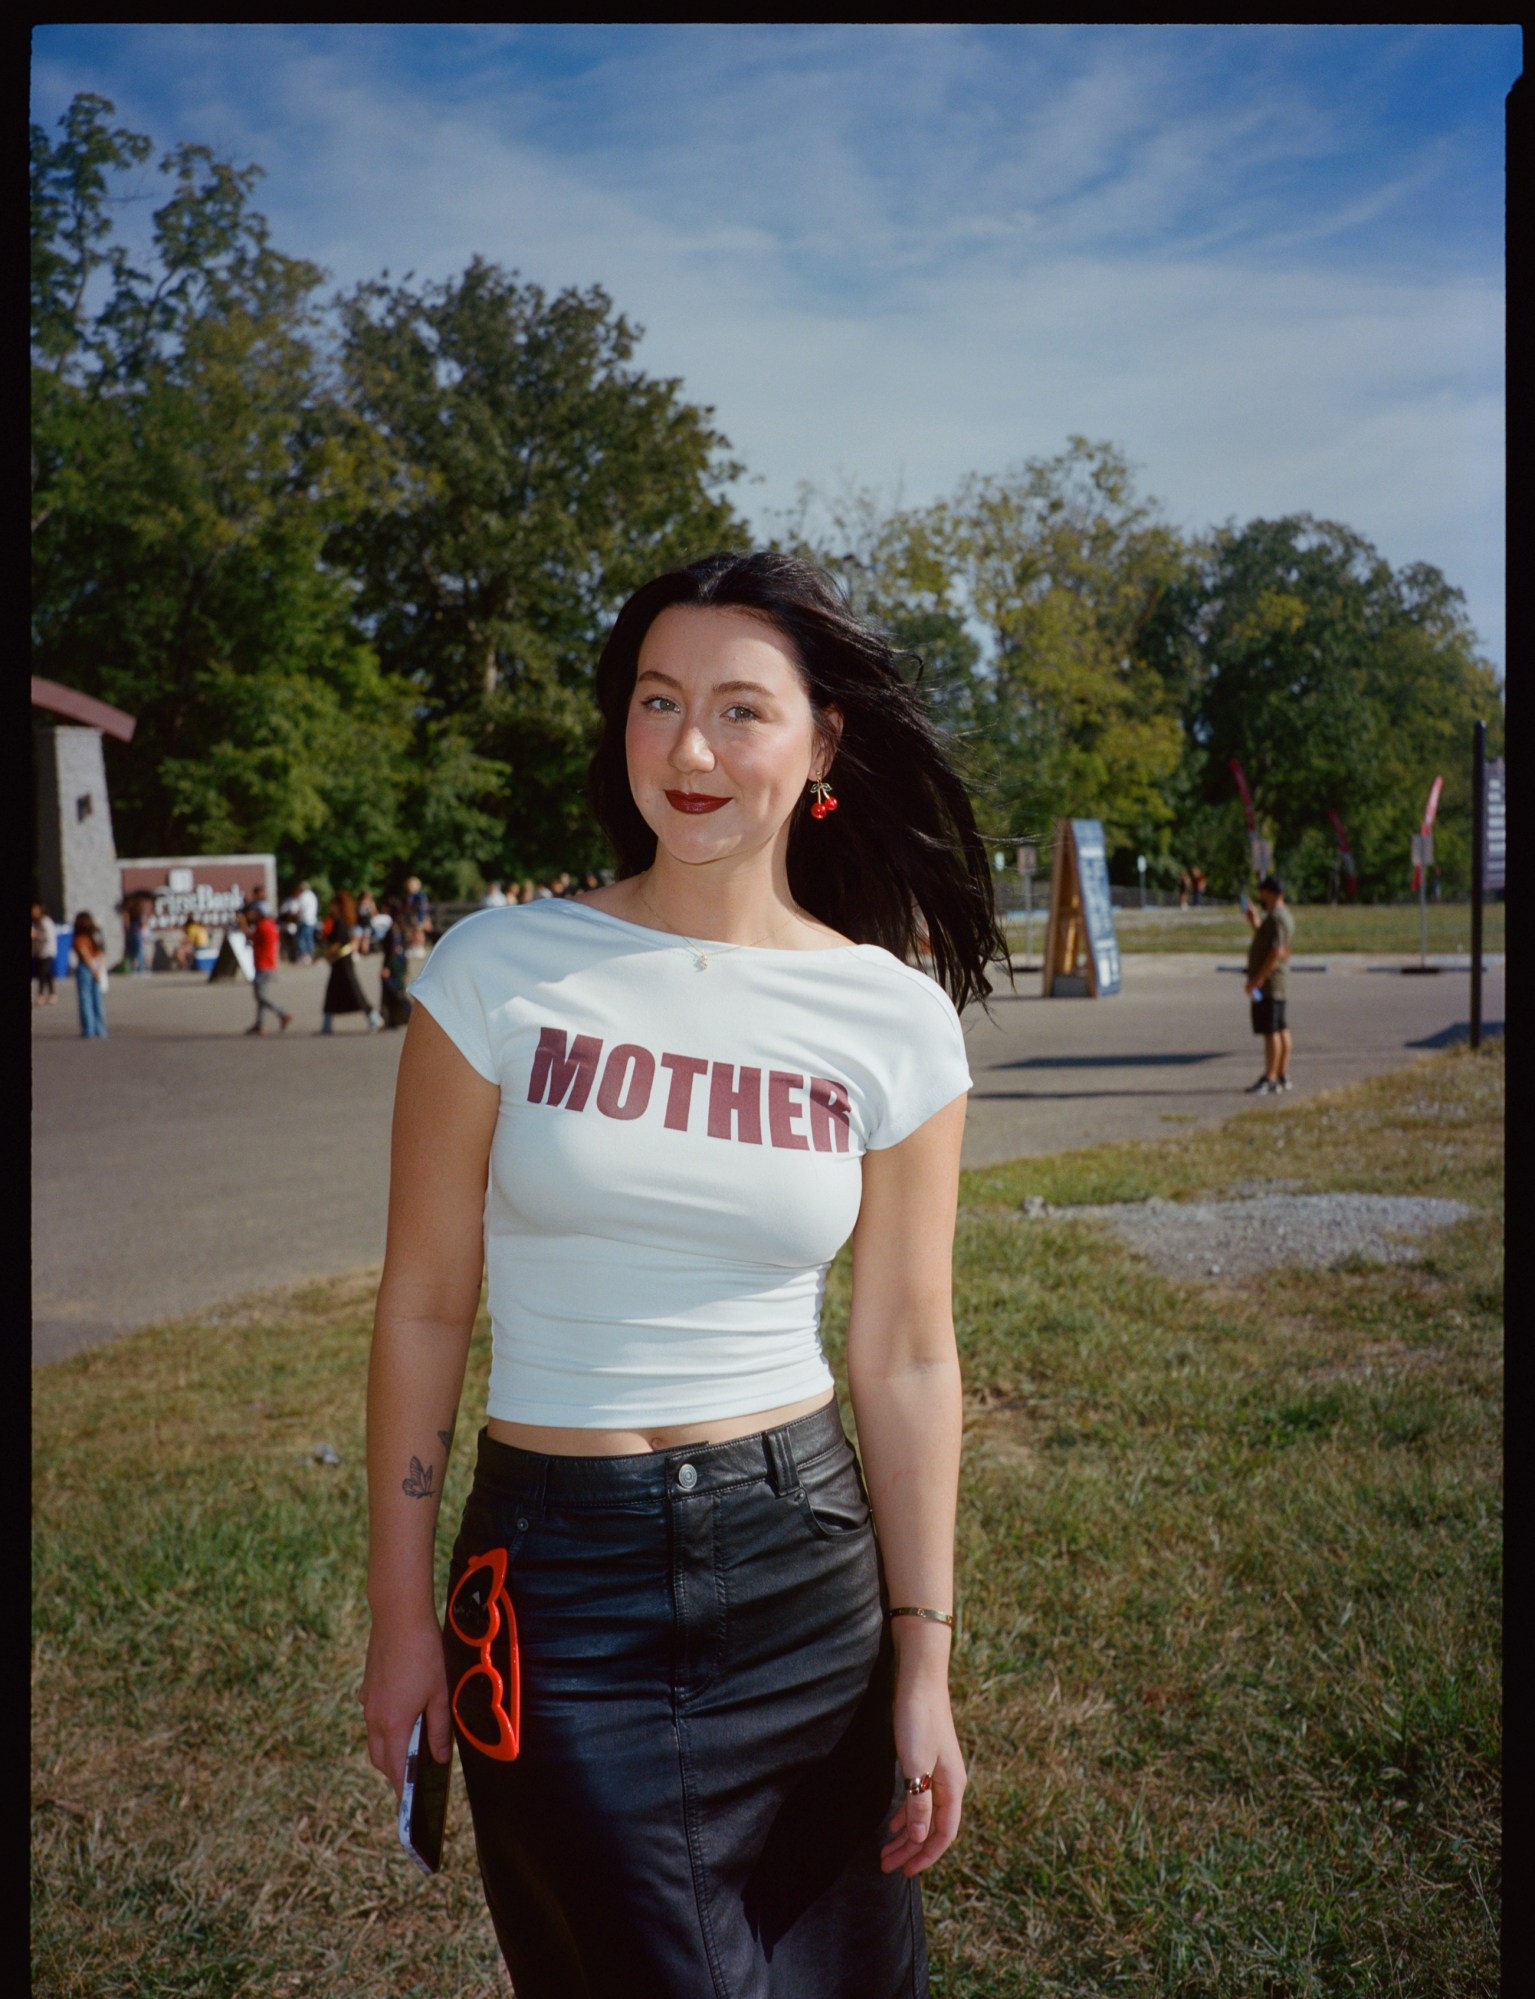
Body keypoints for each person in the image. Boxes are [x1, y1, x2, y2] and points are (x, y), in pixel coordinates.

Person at [360, 550, 1004, 1999]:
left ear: (822, 739)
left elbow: (904, 1349)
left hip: (800, 1573)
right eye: (657, 701)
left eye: (737, 708)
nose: (690, 748)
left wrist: (921, 1662)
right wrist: (404, 1615)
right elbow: (419, 1304)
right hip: (555, 1585)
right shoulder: (498, 972)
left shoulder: (889, 1017)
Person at [1242, 872, 1295, 1093]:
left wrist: (1257, 980)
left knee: (1270, 1031)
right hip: (1277, 983)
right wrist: (1255, 922)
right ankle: (1282, 1075)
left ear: (1267, 892)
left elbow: (1275, 952)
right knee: (1281, 1028)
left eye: (1262, 891)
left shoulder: (1276, 918)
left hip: (1270, 984)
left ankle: (1270, 1078)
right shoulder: (1280, 916)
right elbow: (1271, 942)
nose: (1260, 895)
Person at [320, 893, 383, 1034]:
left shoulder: (341, 922)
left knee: (354, 990)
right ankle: (327, 1023)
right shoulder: (337, 921)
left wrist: (324, 953)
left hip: (344, 961)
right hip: (338, 961)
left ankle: (373, 1017)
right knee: (332, 992)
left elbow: (339, 943)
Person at [245, 902, 294, 1036]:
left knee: (260, 996)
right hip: (269, 963)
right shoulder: (271, 925)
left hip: (263, 964)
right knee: (262, 995)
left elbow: (250, 938)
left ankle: (282, 1014)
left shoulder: (262, 927)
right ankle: (259, 1024)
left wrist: (243, 924)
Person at [70, 912, 108, 1038]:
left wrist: (93, 970)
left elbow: (85, 956)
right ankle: (100, 1029)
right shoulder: (94, 937)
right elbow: (101, 954)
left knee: (85, 999)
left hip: (85, 969)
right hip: (97, 966)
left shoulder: (79, 939)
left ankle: (89, 1029)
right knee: (97, 999)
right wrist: (100, 970)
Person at [32, 901, 59, 1006]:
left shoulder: (46, 921)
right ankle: (52, 994)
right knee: (47, 973)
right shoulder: (36, 922)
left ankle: (40, 995)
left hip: (48, 951)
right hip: (39, 951)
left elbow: (49, 936)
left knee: (42, 973)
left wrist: (36, 935)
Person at [295, 881, 320, 964]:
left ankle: (305, 956)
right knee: (310, 939)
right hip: (312, 920)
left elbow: (300, 909)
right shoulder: (313, 896)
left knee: (301, 939)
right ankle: (311, 955)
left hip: (305, 920)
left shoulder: (303, 896)